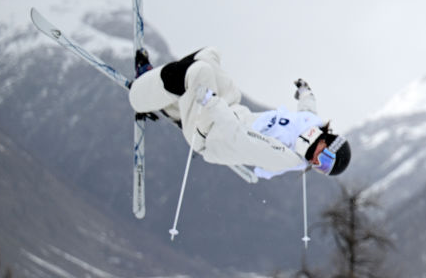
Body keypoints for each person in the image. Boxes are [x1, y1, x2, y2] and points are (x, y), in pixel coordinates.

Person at [128, 47, 350, 179]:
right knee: (209, 55)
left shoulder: (286, 157)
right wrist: (304, 91)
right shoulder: (312, 123)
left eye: (322, 168)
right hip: (231, 108)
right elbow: (308, 108)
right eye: (326, 159)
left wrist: (212, 103)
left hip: (212, 133)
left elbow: (240, 137)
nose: (316, 162)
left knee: (199, 73)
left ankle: (139, 94)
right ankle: (171, 102)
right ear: (327, 139)